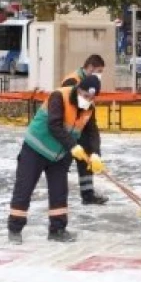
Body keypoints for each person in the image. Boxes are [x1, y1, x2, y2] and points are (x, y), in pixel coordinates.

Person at [8, 76, 104, 245]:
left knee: (59, 191)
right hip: (35, 149)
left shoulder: (90, 108)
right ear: (78, 89)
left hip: (59, 155)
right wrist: (73, 146)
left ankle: (58, 229)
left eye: (91, 98)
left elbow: (92, 132)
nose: (87, 100)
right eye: (85, 95)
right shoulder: (59, 97)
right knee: (24, 188)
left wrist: (95, 153)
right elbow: (54, 125)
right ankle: (15, 229)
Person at [60, 54, 108, 205]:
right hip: (68, 129)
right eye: (99, 71)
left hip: (83, 126)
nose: (100, 75)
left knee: (86, 159)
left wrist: (96, 152)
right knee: (63, 163)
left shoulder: (91, 85)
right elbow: (67, 107)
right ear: (90, 68)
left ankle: (88, 194)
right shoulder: (72, 81)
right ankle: (59, 196)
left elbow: (90, 115)